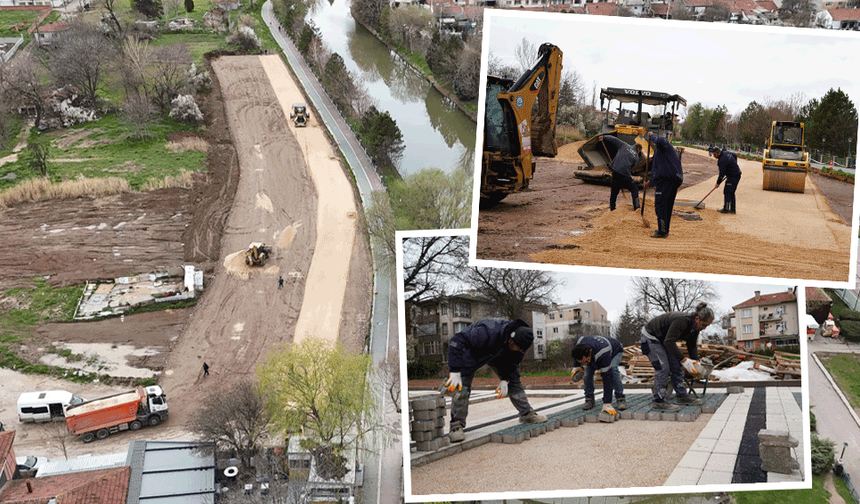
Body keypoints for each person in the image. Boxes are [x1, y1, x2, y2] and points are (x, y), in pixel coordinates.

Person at [444, 319, 548, 442]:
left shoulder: (520, 345)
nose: (518, 351)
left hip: (499, 354)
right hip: (473, 351)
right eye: (516, 347)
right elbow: (456, 340)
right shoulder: (487, 331)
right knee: (462, 386)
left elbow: (512, 364)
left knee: (514, 379)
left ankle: (527, 414)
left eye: (520, 350)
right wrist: (455, 371)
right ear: (510, 338)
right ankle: (456, 425)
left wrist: (505, 380)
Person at [639, 302, 713, 411]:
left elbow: (691, 345)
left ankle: (681, 396)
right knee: (662, 367)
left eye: (707, 326)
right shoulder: (682, 321)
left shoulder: (695, 328)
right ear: (697, 318)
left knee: (676, 365)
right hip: (650, 337)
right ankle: (659, 401)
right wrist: (685, 360)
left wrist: (696, 362)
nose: (704, 328)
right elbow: (669, 342)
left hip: (662, 340)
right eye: (704, 325)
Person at [570, 335, 626, 414]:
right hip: (595, 349)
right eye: (582, 362)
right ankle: (589, 399)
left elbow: (607, 378)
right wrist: (576, 367)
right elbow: (577, 355)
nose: (584, 363)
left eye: (585, 361)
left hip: (616, 350)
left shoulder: (603, 353)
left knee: (613, 369)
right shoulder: (578, 344)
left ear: (589, 353)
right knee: (587, 372)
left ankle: (620, 398)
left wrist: (607, 403)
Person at [645, 131, 683, 238]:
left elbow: (659, 140)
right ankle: (665, 230)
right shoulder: (661, 154)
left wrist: (651, 135)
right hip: (673, 179)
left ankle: (662, 231)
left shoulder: (665, 144)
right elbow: (656, 170)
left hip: (667, 179)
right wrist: (650, 182)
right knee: (667, 206)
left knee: (661, 205)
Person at [600, 135, 640, 212]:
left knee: (614, 190)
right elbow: (631, 168)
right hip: (625, 173)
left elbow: (614, 139)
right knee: (634, 189)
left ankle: (612, 208)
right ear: (638, 149)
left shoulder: (624, 145)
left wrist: (604, 137)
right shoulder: (636, 157)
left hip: (615, 170)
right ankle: (637, 208)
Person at [708, 147, 742, 214]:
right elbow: (734, 156)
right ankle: (732, 209)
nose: (714, 156)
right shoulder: (726, 153)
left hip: (733, 176)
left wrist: (718, 183)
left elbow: (721, 174)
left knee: (727, 191)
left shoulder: (721, 161)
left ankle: (726, 209)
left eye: (714, 154)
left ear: (718, 153)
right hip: (736, 174)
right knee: (731, 192)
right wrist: (732, 166)